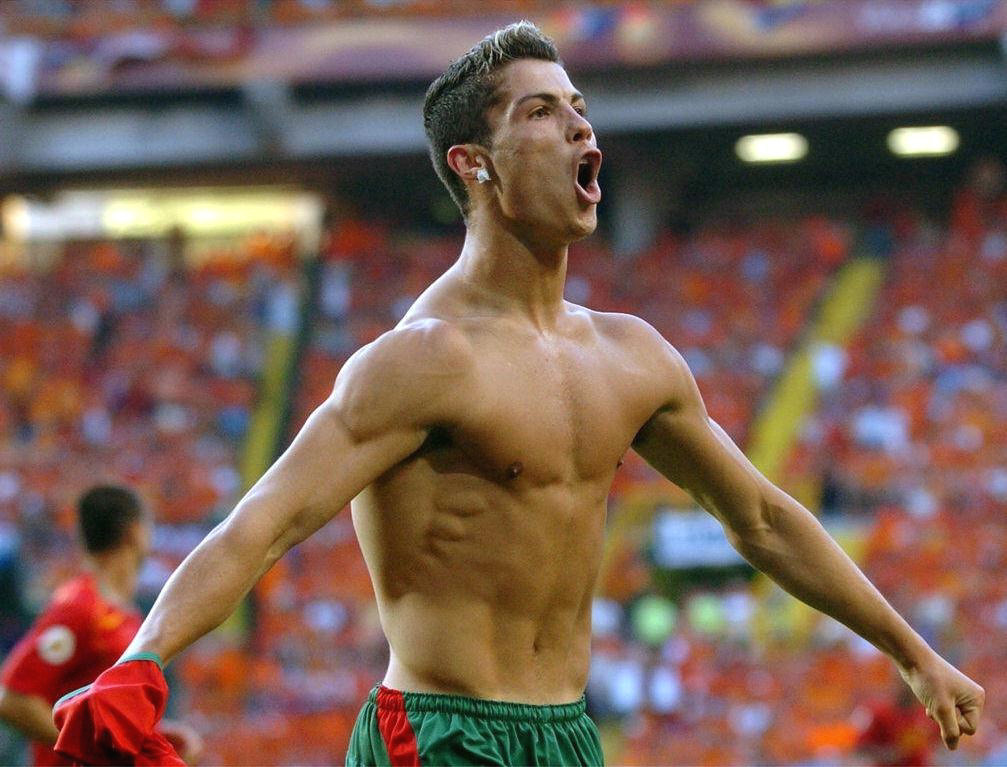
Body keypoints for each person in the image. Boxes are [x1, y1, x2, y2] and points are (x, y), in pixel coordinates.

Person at [53, 22, 984, 766]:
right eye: (542, 111)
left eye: (579, 107)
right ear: (475, 162)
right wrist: (141, 659)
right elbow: (263, 523)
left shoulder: (632, 355)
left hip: (569, 735)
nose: (580, 127)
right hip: (441, 732)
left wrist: (912, 652)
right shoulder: (421, 359)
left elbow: (763, 519)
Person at [0, 486, 200, 766]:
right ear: (135, 532)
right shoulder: (79, 607)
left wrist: (153, 736)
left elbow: (98, 709)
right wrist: (89, 750)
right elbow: (12, 698)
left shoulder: (122, 612)